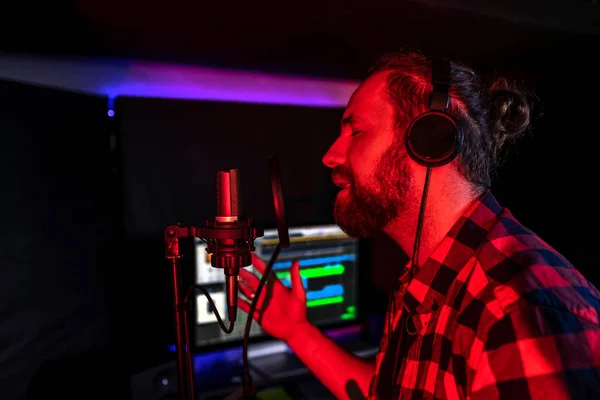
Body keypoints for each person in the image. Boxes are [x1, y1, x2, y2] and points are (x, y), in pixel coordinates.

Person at [237, 51, 600, 399]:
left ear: (430, 140)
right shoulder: (425, 278)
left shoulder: (516, 310)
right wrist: (296, 331)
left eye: (356, 132)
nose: (330, 155)